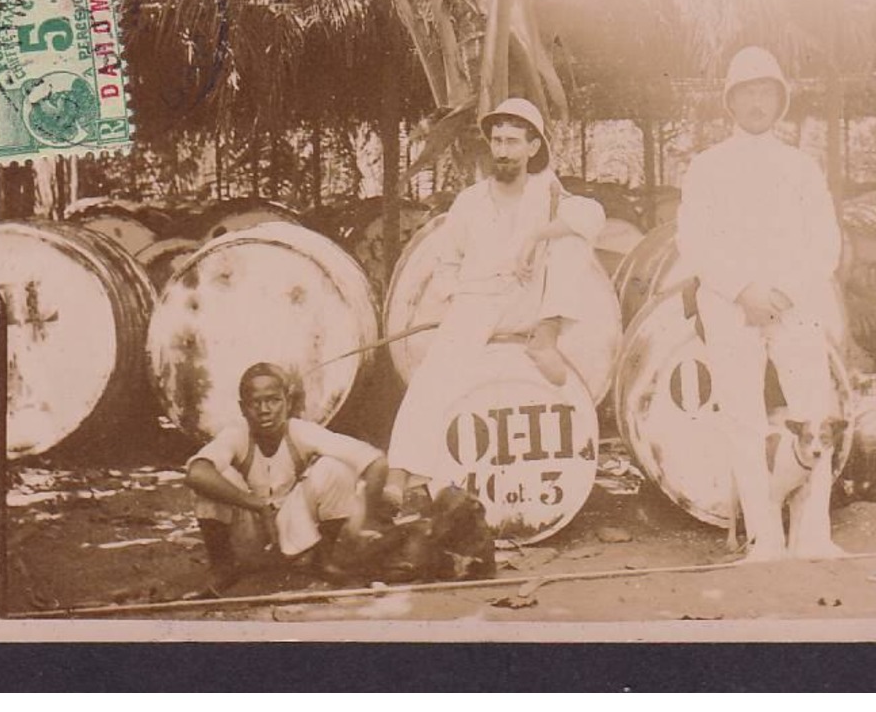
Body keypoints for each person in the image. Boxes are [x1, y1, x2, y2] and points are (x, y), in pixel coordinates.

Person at [384, 98, 606, 508]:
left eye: (513, 141)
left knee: (572, 238)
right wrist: (460, 301)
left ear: (532, 147)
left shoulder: (548, 193)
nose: (502, 150)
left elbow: (593, 216)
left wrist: (535, 236)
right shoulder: (469, 201)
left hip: (528, 303)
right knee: (435, 374)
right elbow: (446, 263)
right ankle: (400, 476)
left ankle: (546, 337)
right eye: (497, 140)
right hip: (476, 302)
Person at [676, 46, 845, 561]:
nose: (756, 102)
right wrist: (743, 289)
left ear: (780, 100)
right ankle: (764, 538)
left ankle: (813, 535)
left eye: (765, 91)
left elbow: (825, 243)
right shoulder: (706, 167)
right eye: (746, 92)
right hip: (730, 304)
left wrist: (785, 291)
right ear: (730, 102)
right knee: (743, 419)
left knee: (813, 409)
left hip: (795, 302)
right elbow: (694, 240)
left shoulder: (802, 167)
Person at [186, 363, 389, 592]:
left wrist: (363, 522)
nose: (264, 410)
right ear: (243, 408)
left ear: (288, 402)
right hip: (250, 533)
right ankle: (223, 567)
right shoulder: (237, 433)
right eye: (255, 402)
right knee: (214, 477)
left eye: (273, 400)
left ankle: (322, 560)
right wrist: (258, 505)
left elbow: (376, 461)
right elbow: (196, 473)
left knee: (335, 467)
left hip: (295, 529)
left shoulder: (301, 431)